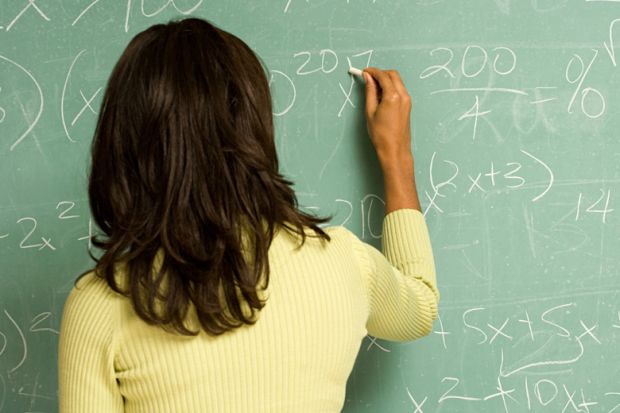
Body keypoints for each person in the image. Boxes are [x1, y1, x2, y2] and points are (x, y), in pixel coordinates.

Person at [58, 17, 439, 413]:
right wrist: (396, 156)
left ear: (123, 143)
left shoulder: (101, 303)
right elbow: (420, 307)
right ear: (252, 125)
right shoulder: (346, 263)